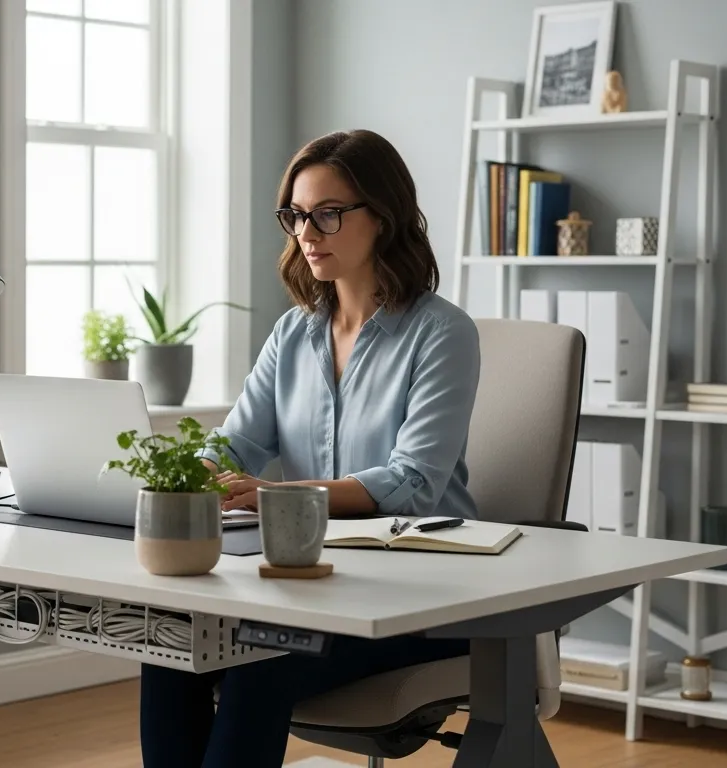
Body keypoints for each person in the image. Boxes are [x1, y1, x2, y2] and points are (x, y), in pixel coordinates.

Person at [139, 129, 481, 768]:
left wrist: (275, 494)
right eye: (296, 215)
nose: (307, 232)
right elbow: (236, 442)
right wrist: (193, 476)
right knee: (169, 649)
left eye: (328, 213)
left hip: (425, 595)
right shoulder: (293, 332)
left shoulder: (443, 333)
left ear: (383, 216)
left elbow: (412, 484)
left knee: (256, 665)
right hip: (316, 587)